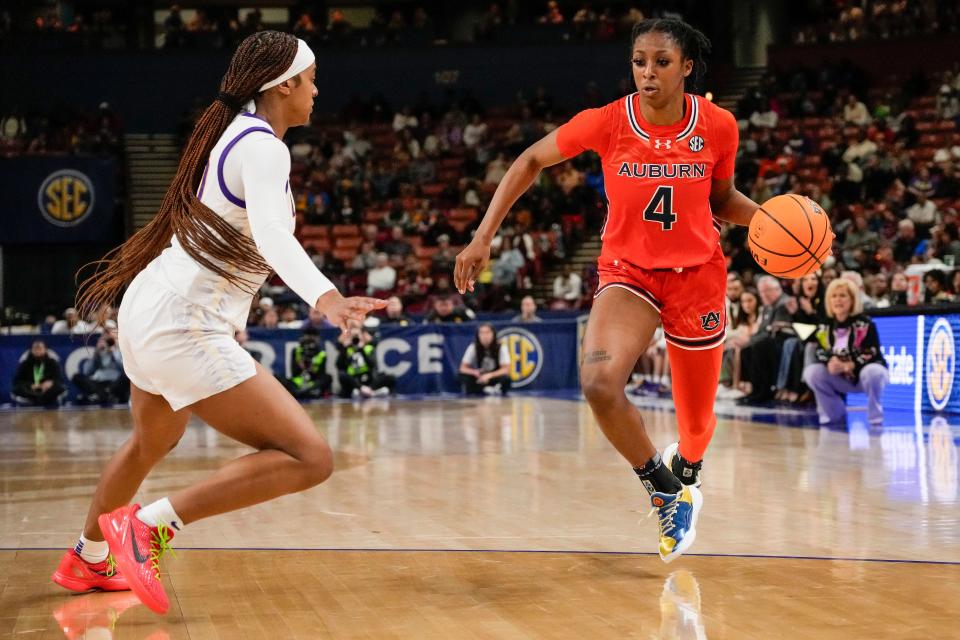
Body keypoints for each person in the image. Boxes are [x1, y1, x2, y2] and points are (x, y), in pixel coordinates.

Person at [54, 33, 386, 613]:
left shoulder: (238, 133)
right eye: (311, 79)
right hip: (184, 321)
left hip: (152, 305)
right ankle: (149, 528)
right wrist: (326, 297)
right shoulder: (264, 148)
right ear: (284, 84)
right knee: (310, 457)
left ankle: (87, 555)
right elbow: (274, 236)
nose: (316, 89)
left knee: (151, 440)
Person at [455, 19, 765, 562]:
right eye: (639, 61)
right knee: (599, 383)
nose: (648, 72)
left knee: (696, 424)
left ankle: (687, 467)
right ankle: (666, 490)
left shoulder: (718, 125)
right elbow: (529, 159)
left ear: (686, 67)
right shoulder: (606, 122)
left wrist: (769, 222)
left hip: (697, 275)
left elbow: (721, 200)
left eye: (662, 62)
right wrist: (483, 237)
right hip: (630, 273)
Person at [802, 278, 888, 425]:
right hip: (838, 377)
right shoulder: (824, 325)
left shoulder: (865, 323)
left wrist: (851, 364)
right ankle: (834, 414)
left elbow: (872, 351)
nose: (838, 300)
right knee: (812, 372)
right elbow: (820, 351)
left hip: (862, 376)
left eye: (842, 296)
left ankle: (875, 417)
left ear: (852, 300)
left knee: (875, 371)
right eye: (834, 296)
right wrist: (829, 361)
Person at [336, 326, 395, 398]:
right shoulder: (346, 349)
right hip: (354, 380)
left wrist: (361, 350)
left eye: (357, 335)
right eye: (353, 336)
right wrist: (344, 348)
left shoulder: (368, 348)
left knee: (390, 377)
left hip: (368, 379)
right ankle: (367, 391)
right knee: (341, 375)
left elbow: (372, 365)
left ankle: (367, 391)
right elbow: (339, 366)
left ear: (362, 336)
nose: (355, 338)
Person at [72, 334, 130, 404]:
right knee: (76, 376)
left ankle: (101, 395)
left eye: (109, 343)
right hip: (98, 382)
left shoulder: (118, 353)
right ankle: (104, 395)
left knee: (126, 376)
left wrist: (114, 353)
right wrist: (96, 354)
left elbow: (124, 369)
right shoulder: (98, 354)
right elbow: (87, 372)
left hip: (114, 382)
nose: (106, 345)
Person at [459, 323, 512, 395]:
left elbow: (506, 369)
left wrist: (489, 375)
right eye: (482, 333)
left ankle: (494, 390)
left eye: (487, 332)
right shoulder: (473, 347)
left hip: (494, 376)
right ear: (478, 335)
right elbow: (462, 368)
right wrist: (474, 372)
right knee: (463, 377)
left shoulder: (501, 347)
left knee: (506, 379)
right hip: (479, 376)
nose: (485, 336)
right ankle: (481, 390)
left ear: (493, 334)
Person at [279, 329, 332, 399]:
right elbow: (293, 373)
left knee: (328, 377)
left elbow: (321, 375)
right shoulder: (296, 351)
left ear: (318, 339)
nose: (310, 340)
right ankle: (302, 392)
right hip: (298, 382)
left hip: (313, 383)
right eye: (307, 337)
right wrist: (301, 365)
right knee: (279, 378)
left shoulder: (321, 354)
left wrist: (312, 368)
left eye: (312, 337)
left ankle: (303, 392)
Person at [11, 340, 66, 407]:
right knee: (16, 389)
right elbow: (17, 381)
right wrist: (30, 385)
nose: (37, 350)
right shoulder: (25, 363)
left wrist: (51, 383)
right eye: (35, 348)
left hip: (47, 391)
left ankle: (39, 400)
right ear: (31, 350)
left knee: (60, 388)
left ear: (45, 350)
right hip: (31, 390)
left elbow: (59, 378)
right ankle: (35, 399)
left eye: (40, 348)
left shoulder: (52, 362)